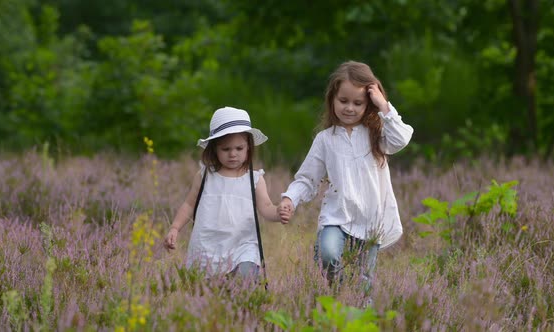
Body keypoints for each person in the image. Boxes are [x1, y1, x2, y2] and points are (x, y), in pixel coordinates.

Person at [278, 61, 414, 298]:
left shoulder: (376, 134)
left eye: (358, 103)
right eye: (343, 101)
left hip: (371, 221)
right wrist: (291, 198)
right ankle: (341, 293)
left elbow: (401, 138)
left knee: (363, 284)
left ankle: (355, 311)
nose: (349, 108)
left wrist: (383, 104)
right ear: (332, 99)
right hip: (337, 216)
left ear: (368, 103)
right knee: (329, 254)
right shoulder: (325, 139)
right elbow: (308, 178)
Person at [164, 106, 288, 280]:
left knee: (245, 278)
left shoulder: (255, 179)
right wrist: (175, 228)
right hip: (208, 246)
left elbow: (266, 207)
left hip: (243, 246)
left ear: (248, 148)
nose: (233, 154)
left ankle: (245, 305)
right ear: (214, 148)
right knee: (208, 294)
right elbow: (189, 204)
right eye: (226, 149)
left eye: (239, 148)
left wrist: (278, 213)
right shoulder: (205, 176)